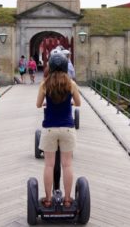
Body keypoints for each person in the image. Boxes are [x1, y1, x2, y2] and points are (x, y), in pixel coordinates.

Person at [36, 53, 81, 208]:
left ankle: (48, 199)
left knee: (49, 165)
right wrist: (69, 102)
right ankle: (67, 199)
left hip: (49, 128)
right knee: (67, 164)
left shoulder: (44, 84)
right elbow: (78, 103)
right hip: (67, 128)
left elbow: (38, 104)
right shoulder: (71, 84)